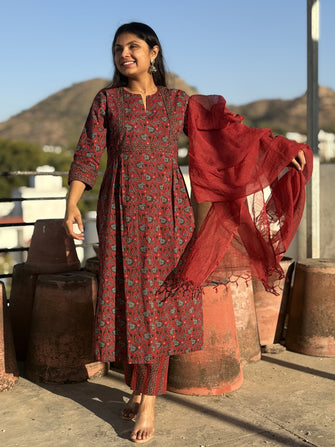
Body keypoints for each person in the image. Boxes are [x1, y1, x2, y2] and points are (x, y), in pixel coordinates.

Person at [64, 22, 311, 444]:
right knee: (129, 296)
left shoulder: (178, 103)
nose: (125, 54)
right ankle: (139, 386)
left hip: (168, 214)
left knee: (159, 301)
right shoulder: (107, 101)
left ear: (154, 53)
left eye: (134, 47)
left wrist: (281, 150)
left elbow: (228, 134)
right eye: (119, 48)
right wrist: (71, 202)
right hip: (120, 212)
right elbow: (88, 151)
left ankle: (149, 402)